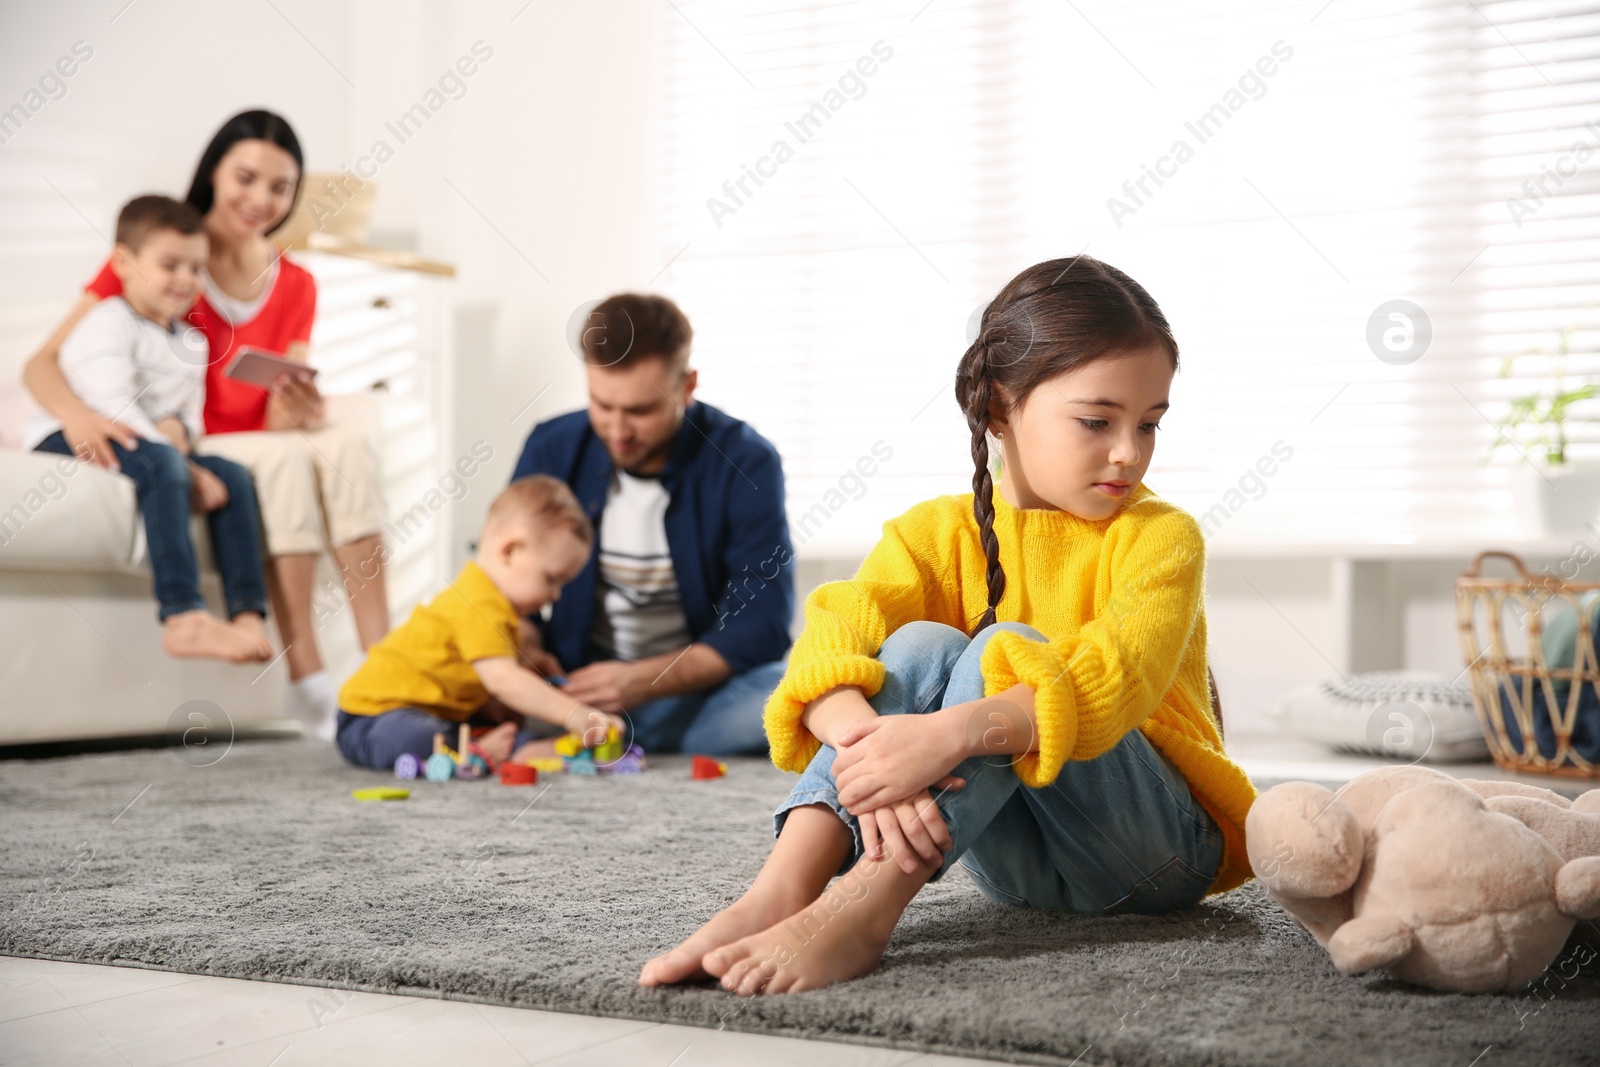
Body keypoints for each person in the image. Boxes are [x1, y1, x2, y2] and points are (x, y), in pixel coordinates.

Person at [638, 257, 1259, 995]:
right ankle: (780, 888)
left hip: (1157, 855)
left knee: (1004, 648)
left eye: (1149, 424)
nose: (1129, 451)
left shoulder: (1165, 537)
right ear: (1001, 408)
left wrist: (946, 735)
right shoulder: (933, 531)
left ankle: (865, 905)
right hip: (1020, 871)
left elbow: (1111, 679)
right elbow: (832, 634)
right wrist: (874, 749)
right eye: (1097, 421)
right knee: (918, 646)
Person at [23, 110, 390, 736]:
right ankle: (308, 676)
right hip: (185, 437)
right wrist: (80, 416)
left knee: (348, 443)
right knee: (281, 463)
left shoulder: (297, 283)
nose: (260, 199)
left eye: (280, 188)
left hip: (237, 437)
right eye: (245, 177)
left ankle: (386, 666)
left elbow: (279, 415)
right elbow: (44, 362)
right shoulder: (161, 257)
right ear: (214, 172)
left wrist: (293, 408)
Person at [511, 293, 793, 756]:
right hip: (574, 689)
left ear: (687, 386)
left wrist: (644, 681)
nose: (618, 430)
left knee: (798, 690)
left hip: (693, 696)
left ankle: (607, 738)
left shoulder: (746, 460)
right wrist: (525, 648)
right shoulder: (552, 446)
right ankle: (597, 732)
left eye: (641, 411)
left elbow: (760, 626)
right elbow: (504, 585)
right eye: (602, 406)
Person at [22, 195, 272, 664]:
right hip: (75, 433)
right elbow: (112, 405)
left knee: (234, 475)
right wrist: (179, 460)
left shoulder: (192, 342)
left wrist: (180, 434)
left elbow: (189, 417)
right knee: (163, 464)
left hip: (145, 439)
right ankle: (182, 616)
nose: (185, 279)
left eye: (196, 269)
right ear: (123, 262)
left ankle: (247, 615)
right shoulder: (108, 321)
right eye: (170, 264)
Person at [335, 476, 623, 770]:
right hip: (370, 716)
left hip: (439, 713)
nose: (555, 595)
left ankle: (511, 747)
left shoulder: (496, 607)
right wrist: (574, 713)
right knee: (410, 737)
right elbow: (503, 680)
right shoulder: (478, 603)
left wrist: (529, 663)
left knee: (493, 719)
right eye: (551, 579)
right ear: (510, 550)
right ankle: (474, 750)